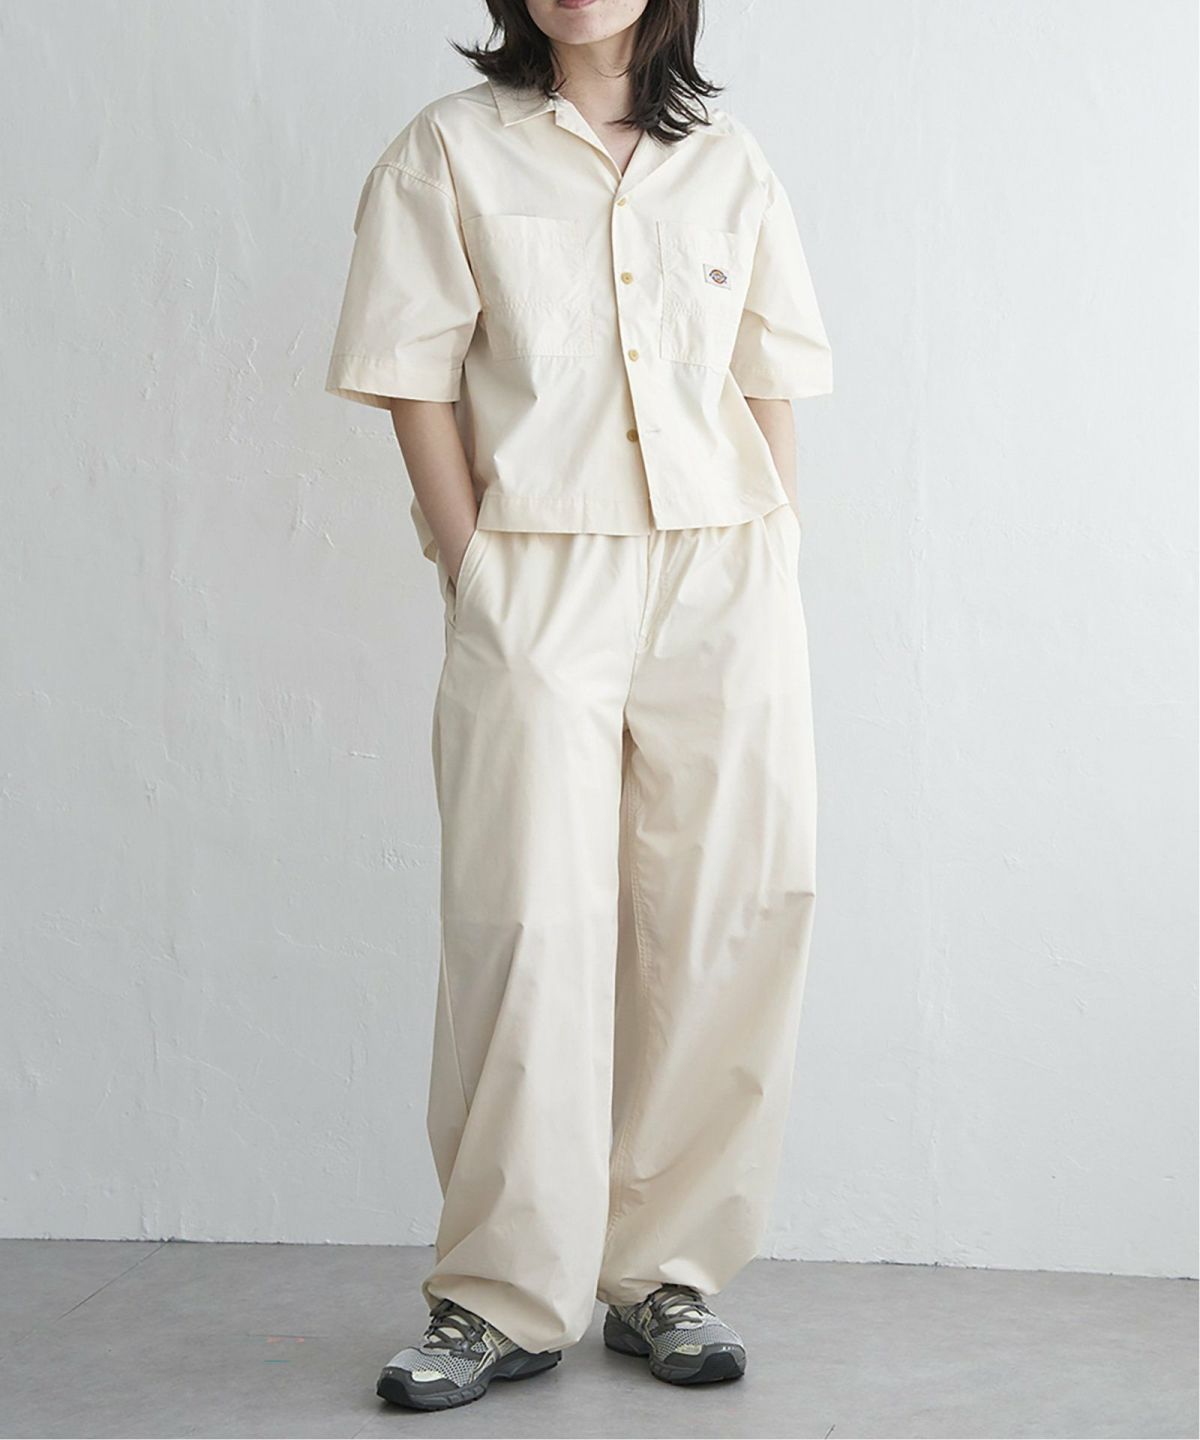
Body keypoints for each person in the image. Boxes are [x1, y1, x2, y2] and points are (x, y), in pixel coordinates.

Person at [326, 0, 832, 1412]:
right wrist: (470, 562)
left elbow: (769, 374)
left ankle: (663, 1272)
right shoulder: (448, 151)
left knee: (728, 910)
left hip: (723, 566)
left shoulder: (727, 159)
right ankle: (499, 1293)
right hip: (538, 566)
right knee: (525, 920)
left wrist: (775, 549)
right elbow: (412, 375)